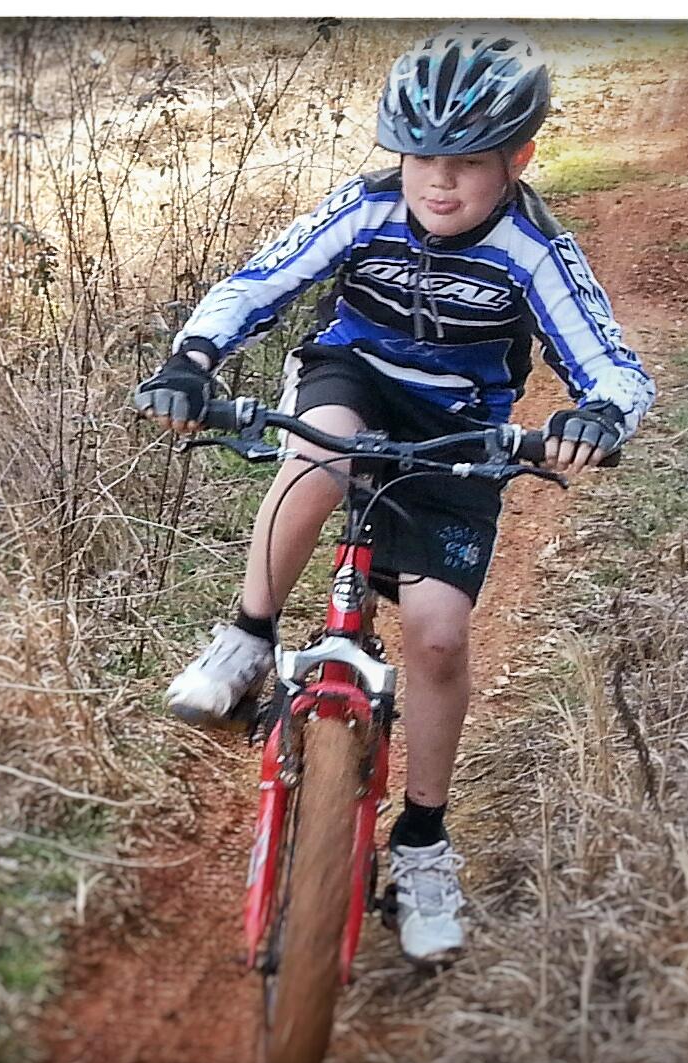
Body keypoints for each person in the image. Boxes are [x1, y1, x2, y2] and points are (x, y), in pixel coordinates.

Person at [132, 24, 654, 966]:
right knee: (323, 446)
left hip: (461, 429)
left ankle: (423, 840)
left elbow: (608, 362)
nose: (437, 182)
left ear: (519, 159)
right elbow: (260, 281)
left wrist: (598, 416)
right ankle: (248, 638)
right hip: (353, 379)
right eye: (419, 159)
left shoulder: (531, 248)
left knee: (439, 634)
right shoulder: (363, 210)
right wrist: (191, 359)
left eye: (465, 162)